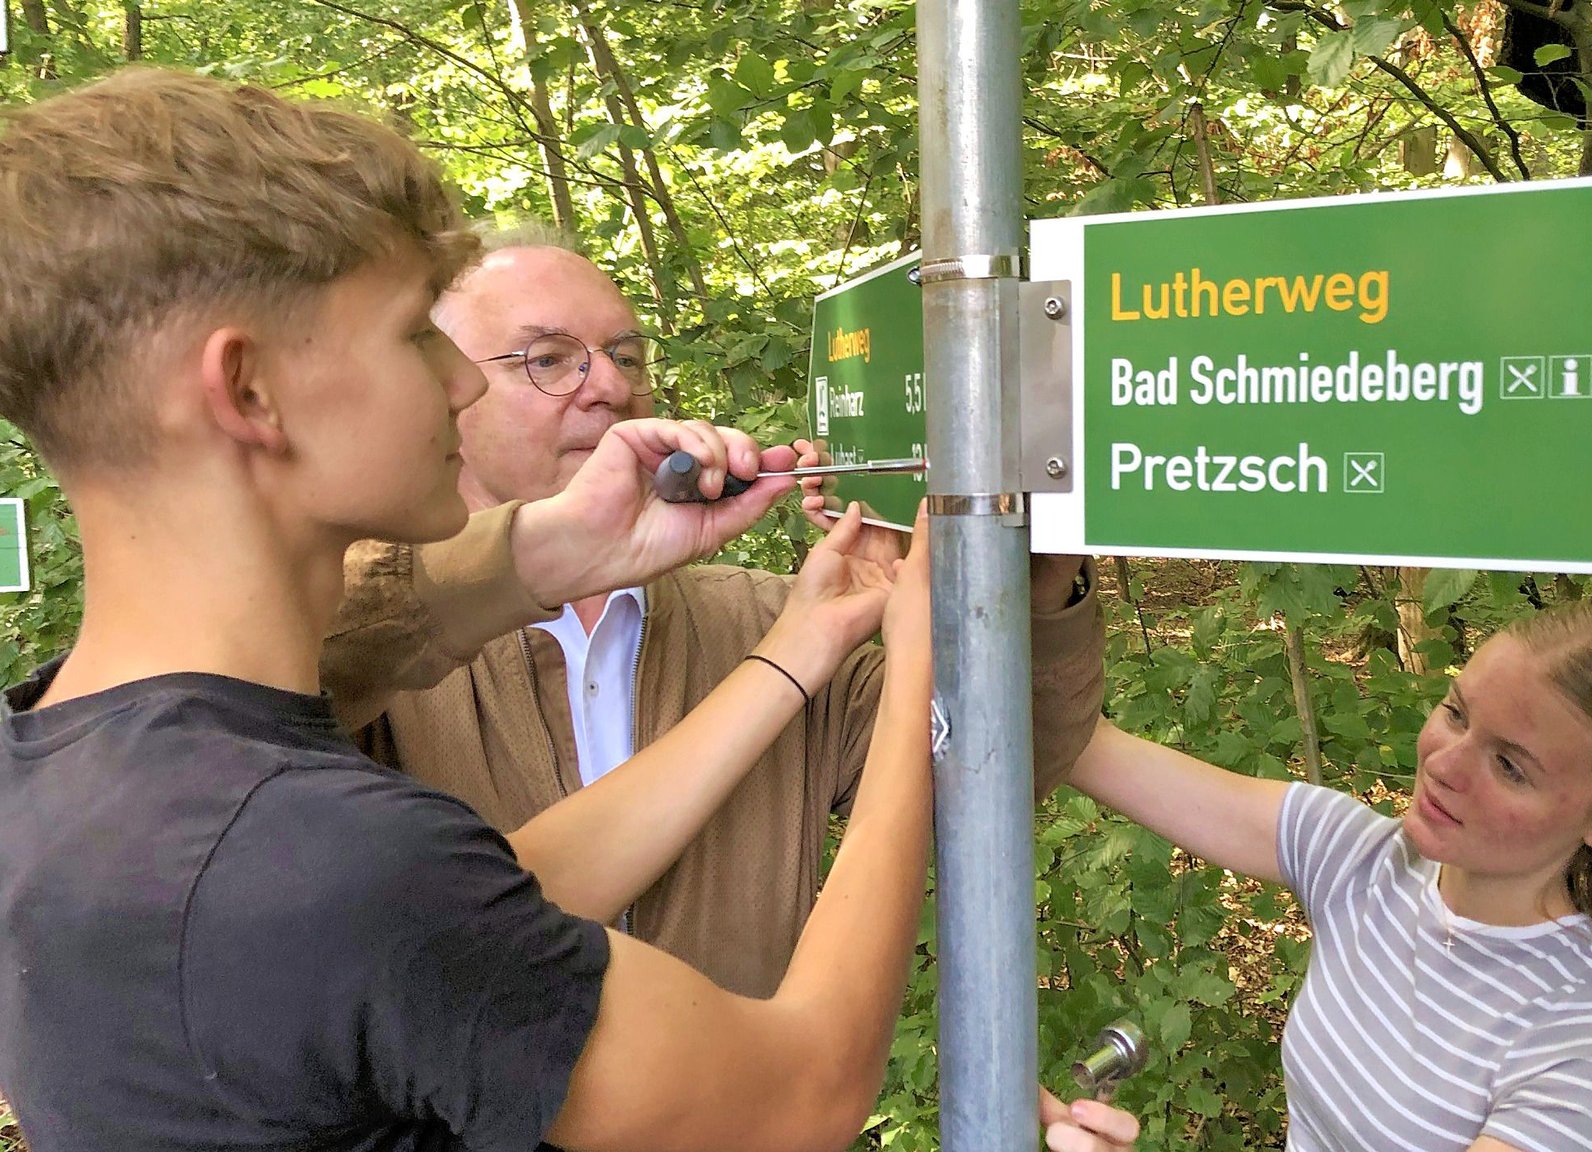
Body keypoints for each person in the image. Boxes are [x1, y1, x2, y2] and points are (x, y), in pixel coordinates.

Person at [0, 68, 1130, 1152]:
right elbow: (803, 1092)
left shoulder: (55, 774)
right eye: (412, 336)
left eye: (620, 354)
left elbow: (508, 891)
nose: (454, 384)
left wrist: (780, 628)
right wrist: (921, 650)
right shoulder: (332, 860)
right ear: (247, 390)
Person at [320, 232, 1107, 998]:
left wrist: (1042, 583)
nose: (607, 386)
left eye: (625, 356)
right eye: (548, 359)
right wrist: (543, 553)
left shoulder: (770, 616)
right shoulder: (369, 637)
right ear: (445, 390)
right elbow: (274, 681)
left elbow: (994, 769)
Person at [1069, 601, 1592, 1152]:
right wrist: (1046, 589)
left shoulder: (1590, 1042)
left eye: (1510, 766)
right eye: (1456, 712)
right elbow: (1075, 742)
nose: (1447, 764)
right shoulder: (1361, 862)